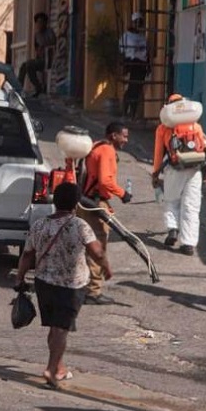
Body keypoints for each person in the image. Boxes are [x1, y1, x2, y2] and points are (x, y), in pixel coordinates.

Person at [14, 183, 112, 389]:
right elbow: (97, 252)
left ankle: (58, 366)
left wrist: (19, 278)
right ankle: (51, 369)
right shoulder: (79, 225)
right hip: (71, 286)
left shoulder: (39, 225)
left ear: (55, 201)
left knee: (54, 327)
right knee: (61, 330)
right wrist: (106, 267)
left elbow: (27, 255)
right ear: (76, 203)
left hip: (43, 283)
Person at [77, 122, 131, 305]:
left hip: (84, 201)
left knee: (87, 245)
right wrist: (123, 194)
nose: (126, 140)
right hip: (95, 203)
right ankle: (93, 291)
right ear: (114, 135)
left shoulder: (96, 145)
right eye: (124, 136)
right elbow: (105, 180)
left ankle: (84, 285)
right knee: (98, 246)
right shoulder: (107, 150)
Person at [151, 94, 206, 256]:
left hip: (174, 169)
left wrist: (155, 174)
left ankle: (172, 229)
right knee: (191, 207)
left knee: (171, 201)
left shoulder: (163, 128)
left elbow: (158, 154)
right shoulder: (195, 126)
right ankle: (188, 244)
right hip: (194, 170)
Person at [18, 12, 57, 98]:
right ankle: (18, 88)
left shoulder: (49, 32)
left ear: (45, 23)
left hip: (48, 60)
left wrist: (43, 47)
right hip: (39, 59)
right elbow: (36, 47)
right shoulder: (37, 35)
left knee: (29, 65)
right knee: (24, 66)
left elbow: (53, 45)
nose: (39, 24)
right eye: (38, 22)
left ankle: (38, 88)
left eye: (41, 22)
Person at [119, 12, 150, 120]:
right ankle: (125, 111)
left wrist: (148, 66)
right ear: (132, 23)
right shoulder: (126, 36)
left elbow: (147, 53)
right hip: (131, 63)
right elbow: (122, 51)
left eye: (139, 22)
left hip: (141, 65)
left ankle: (133, 113)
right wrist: (123, 66)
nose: (138, 24)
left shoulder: (143, 37)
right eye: (136, 22)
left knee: (137, 89)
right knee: (130, 88)